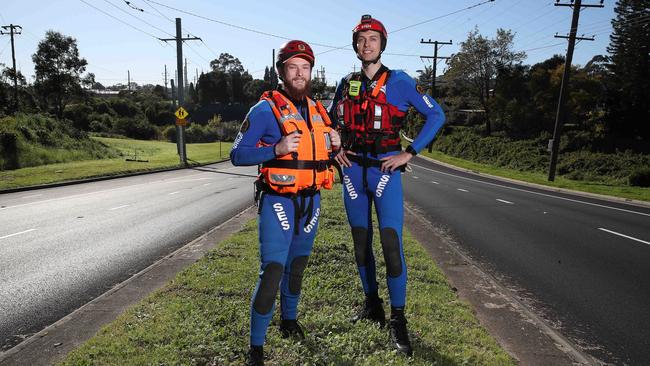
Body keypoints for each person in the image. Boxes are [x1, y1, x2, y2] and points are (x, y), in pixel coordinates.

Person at [330, 14, 446, 356]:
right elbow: (328, 120)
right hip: (353, 171)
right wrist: (335, 150)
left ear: (382, 44)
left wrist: (409, 153)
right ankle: (372, 305)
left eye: (373, 39)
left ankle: (398, 319)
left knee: (391, 244)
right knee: (360, 242)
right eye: (361, 39)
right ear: (355, 45)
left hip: (384, 172)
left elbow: (437, 115)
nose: (367, 44)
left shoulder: (400, 81)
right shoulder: (345, 82)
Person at [231, 40, 341, 366]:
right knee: (273, 271)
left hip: (311, 201)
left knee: (298, 266)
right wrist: (275, 149)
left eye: (305, 67)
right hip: (278, 200)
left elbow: (320, 154)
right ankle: (256, 347)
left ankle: (289, 320)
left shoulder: (319, 111)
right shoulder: (264, 110)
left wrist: (336, 144)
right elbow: (237, 155)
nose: (299, 73)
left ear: (311, 72)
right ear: (281, 71)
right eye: (292, 67)